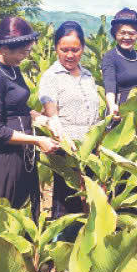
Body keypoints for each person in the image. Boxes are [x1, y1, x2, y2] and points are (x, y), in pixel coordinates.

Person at [0, 16, 60, 220]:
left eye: (28, 51)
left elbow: (17, 105)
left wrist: (39, 117)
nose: (25, 56)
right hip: (7, 158)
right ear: (4, 49)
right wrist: (37, 140)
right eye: (23, 51)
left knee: (27, 214)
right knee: (6, 217)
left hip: (24, 153)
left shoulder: (13, 68)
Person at [38, 21, 101, 223]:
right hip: (67, 149)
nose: (70, 55)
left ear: (83, 48)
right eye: (64, 50)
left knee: (90, 202)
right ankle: (64, 240)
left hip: (91, 150)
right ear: (56, 48)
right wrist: (63, 138)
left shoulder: (88, 75)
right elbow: (50, 108)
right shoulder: (51, 76)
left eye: (75, 49)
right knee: (67, 203)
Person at [101, 7, 137, 119]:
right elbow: (109, 85)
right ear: (115, 34)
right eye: (122, 33)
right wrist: (112, 106)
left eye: (131, 33)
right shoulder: (110, 57)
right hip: (120, 112)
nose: (127, 37)